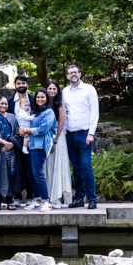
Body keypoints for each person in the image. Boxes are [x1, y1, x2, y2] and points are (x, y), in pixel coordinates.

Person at [62, 64, 99, 209]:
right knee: (76, 167)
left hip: (85, 134)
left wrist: (91, 133)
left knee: (85, 165)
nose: (73, 75)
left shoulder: (89, 89)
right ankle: (79, 198)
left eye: (75, 72)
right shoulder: (65, 92)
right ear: (67, 76)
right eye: (70, 73)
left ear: (80, 74)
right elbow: (64, 113)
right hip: (70, 135)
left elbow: (94, 112)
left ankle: (92, 198)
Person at [19, 88, 58, 212]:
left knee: (38, 174)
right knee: (32, 174)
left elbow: (42, 130)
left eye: (42, 97)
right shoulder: (37, 112)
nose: (40, 99)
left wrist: (25, 131)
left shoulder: (49, 112)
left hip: (41, 146)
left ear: (47, 98)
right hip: (32, 145)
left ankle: (46, 201)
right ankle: (38, 200)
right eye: (38, 97)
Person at [44, 80, 73, 209]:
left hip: (57, 137)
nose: (52, 91)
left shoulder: (60, 104)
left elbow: (61, 123)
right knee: (47, 167)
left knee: (57, 166)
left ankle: (57, 198)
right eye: (49, 88)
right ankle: (48, 197)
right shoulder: (43, 102)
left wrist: (55, 141)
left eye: (54, 89)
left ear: (57, 91)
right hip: (45, 137)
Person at [9, 74, 36, 205]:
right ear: (15, 85)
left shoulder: (33, 99)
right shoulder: (9, 102)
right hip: (15, 140)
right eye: (19, 83)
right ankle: (17, 196)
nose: (21, 85)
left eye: (24, 83)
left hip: (31, 138)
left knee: (30, 168)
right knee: (16, 169)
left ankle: (30, 196)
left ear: (27, 85)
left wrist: (27, 131)